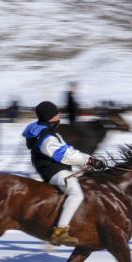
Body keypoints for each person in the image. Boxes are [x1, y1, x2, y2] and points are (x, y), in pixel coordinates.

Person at [22, 101, 104, 246]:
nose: (59, 115)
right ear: (50, 116)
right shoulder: (47, 137)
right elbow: (64, 154)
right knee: (76, 193)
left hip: (56, 170)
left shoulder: (46, 132)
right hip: (55, 172)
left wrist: (87, 160)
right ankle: (60, 232)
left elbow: (68, 150)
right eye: (56, 113)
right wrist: (88, 160)